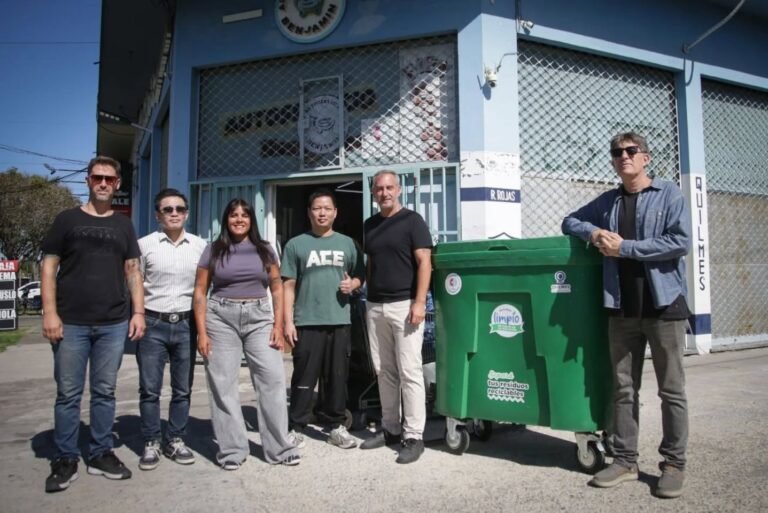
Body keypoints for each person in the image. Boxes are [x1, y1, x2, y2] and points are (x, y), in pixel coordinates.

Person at [562, 132, 691, 499]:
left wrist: (626, 248)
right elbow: (569, 221)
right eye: (617, 152)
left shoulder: (668, 194)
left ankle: (674, 464)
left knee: (671, 390)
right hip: (621, 308)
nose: (624, 156)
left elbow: (679, 241)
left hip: (663, 306)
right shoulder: (609, 201)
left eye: (631, 151)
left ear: (645, 157)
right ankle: (624, 461)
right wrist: (593, 233)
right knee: (623, 389)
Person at [41, 156, 145, 493]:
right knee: (68, 394)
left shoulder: (124, 225)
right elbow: (48, 266)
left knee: (104, 392)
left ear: (117, 184)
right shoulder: (66, 220)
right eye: (97, 177)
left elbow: (133, 270)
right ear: (87, 180)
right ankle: (65, 457)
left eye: (109, 179)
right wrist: (49, 313)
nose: (103, 183)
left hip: (113, 323)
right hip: (70, 322)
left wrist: (138, 312)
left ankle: (101, 452)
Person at [193, 198, 300, 470]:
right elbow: (200, 292)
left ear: (252, 220)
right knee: (223, 385)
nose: (239, 219)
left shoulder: (265, 250)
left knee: (272, 380)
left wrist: (277, 325)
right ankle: (232, 450)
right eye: (233, 215)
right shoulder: (212, 250)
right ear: (226, 219)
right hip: (220, 318)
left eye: (244, 215)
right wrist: (202, 332)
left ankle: (279, 448)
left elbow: (276, 287)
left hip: (259, 318)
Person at [282, 189, 365, 450]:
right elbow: (288, 286)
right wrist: (287, 321)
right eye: (317, 208)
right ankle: (296, 426)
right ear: (309, 212)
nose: (322, 213)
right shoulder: (296, 244)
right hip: (306, 321)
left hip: (339, 320)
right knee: (303, 378)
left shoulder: (348, 244)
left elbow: (360, 276)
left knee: (336, 378)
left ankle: (336, 426)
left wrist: (353, 284)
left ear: (335, 212)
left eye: (327, 208)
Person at [359, 170, 433, 464]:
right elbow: (371, 264)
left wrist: (420, 302)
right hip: (375, 306)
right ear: (373, 192)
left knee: (409, 371)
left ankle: (414, 436)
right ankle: (390, 429)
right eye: (379, 188)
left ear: (399, 190)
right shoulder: (370, 225)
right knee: (384, 371)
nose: (385, 193)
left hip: (405, 305)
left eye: (390, 187)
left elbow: (424, 262)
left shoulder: (413, 221)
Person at [136, 188, 207, 470]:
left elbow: (205, 288)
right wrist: (137, 316)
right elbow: (135, 283)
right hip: (153, 323)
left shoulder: (200, 246)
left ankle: (175, 439)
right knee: (149, 389)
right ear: (158, 215)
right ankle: (151, 441)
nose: (174, 213)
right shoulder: (144, 246)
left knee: (182, 389)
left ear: (186, 213)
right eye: (168, 209)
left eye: (179, 209)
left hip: (187, 324)